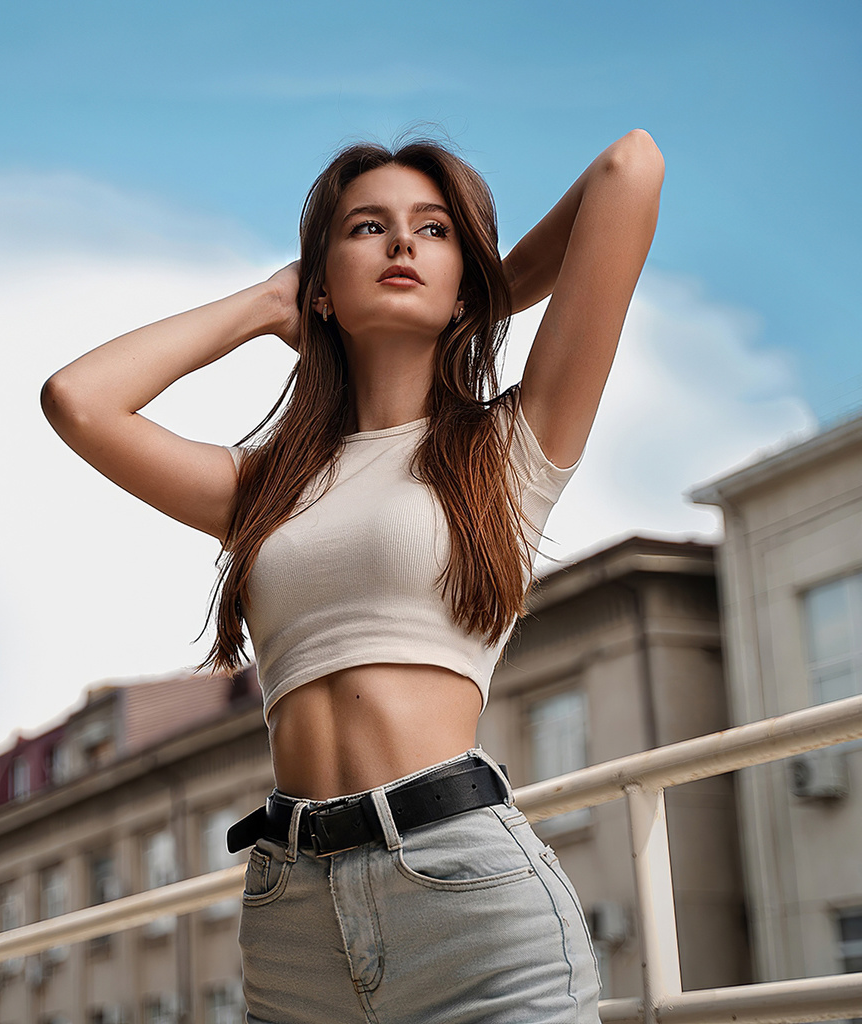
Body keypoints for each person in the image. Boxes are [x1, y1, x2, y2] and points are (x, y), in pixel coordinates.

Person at [42, 128, 663, 1023]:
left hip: (464, 892)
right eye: (369, 227)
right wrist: (264, 302)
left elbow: (629, 167)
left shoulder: (507, 450)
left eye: (434, 230)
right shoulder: (260, 488)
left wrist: (483, 300)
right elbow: (78, 399)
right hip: (290, 915)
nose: (404, 243)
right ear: (320, 286)